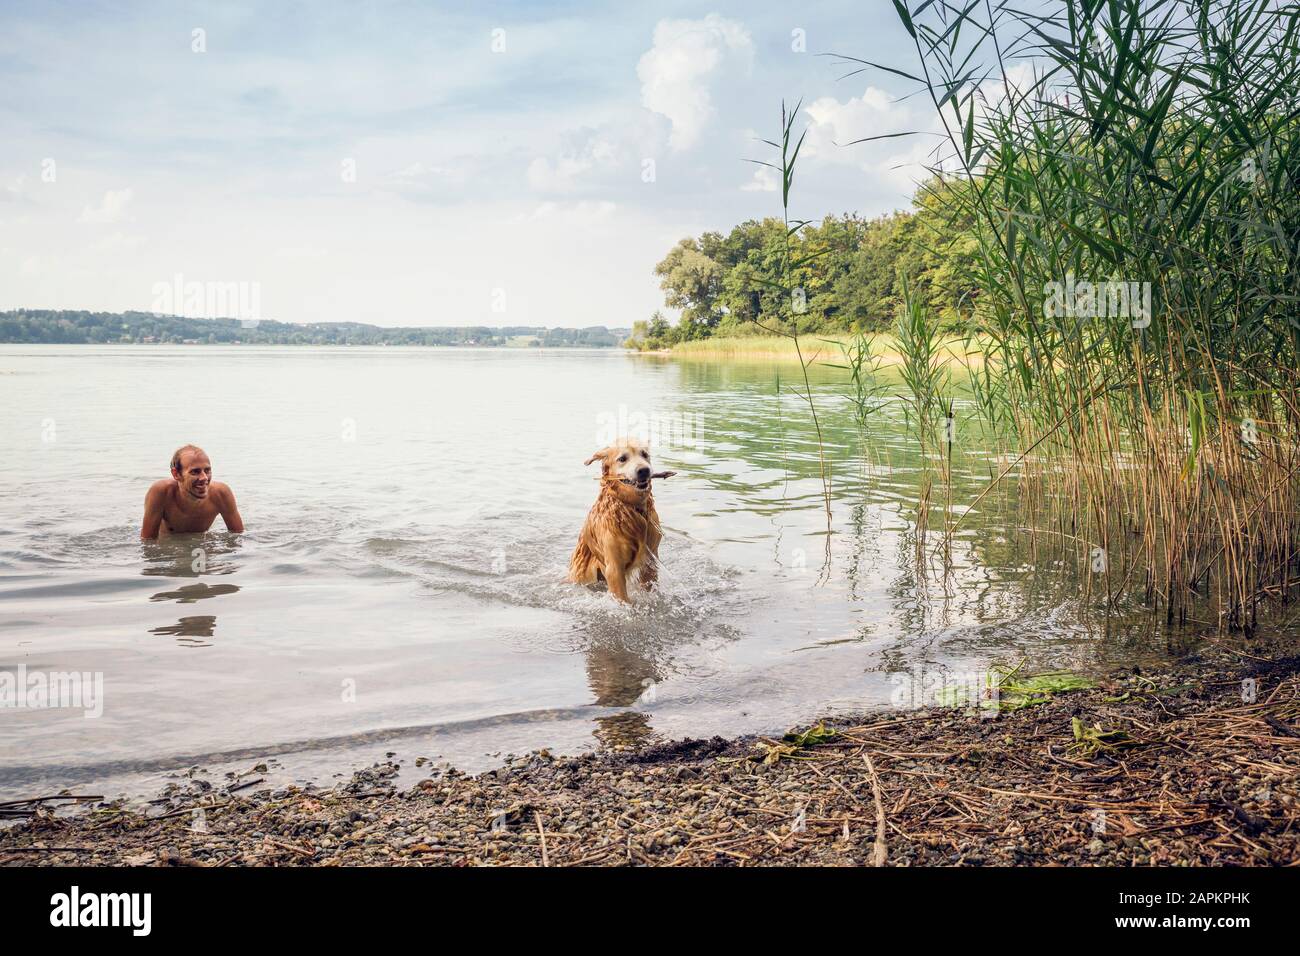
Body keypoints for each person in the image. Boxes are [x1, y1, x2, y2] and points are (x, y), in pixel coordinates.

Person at [141, 444, 244, 539]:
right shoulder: (161, 493)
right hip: (170, 547)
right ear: (176, 474)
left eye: (207, 470)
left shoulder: (221, 494)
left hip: (202, 547)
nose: (204, 478)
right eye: (195, 472)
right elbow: (147, 542)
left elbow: (239, 537)